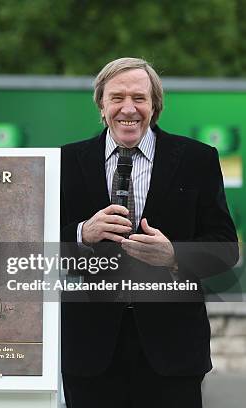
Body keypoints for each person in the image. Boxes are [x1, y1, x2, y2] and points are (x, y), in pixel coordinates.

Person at [60, 57, 238, 408]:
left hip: (172, 352)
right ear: (101, 105)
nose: (129, 108)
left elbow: (225, 248)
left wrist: (174, 255)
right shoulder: (65, 161)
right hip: (89, 351)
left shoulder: (197, 159)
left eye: (140, 98)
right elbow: (36, 247)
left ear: (155, 105)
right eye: (117, 98)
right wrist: (82, 232)